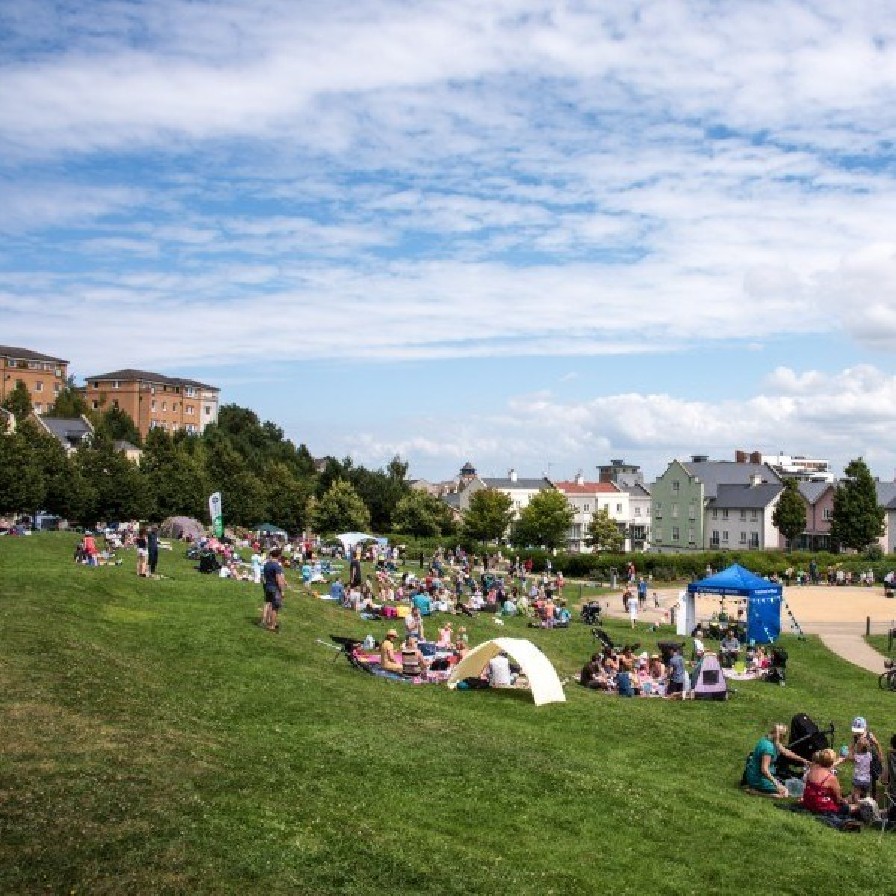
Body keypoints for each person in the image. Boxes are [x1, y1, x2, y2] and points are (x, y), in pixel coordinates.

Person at [742, 723, 809, 797]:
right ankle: (756, 792)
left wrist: (804, 760)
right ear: (780, 736)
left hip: (756, 772)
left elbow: (786, 752)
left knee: (784, 783)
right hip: (758, 778)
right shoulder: (768, 747)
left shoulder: (770, 740)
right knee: (784, 793)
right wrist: (777, 784)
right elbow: (764, 769)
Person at [801, 749, 853, 817]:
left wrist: (840, 760)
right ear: (831, 763)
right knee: (853, 807)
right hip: (822, 807)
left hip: (808, 802)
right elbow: (838, 800)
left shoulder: (812, 770)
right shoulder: (831, 778)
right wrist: (846, 800)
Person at [261, 548, 287, 632]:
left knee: (269, 604)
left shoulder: (267, 564)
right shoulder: (277, 566)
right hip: (274, 588)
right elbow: (278, 579)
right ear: (279, 556)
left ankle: (268, 622)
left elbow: (264, 577)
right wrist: (282, 591)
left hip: (267, 587)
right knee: (275, 608)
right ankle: (272, 625)